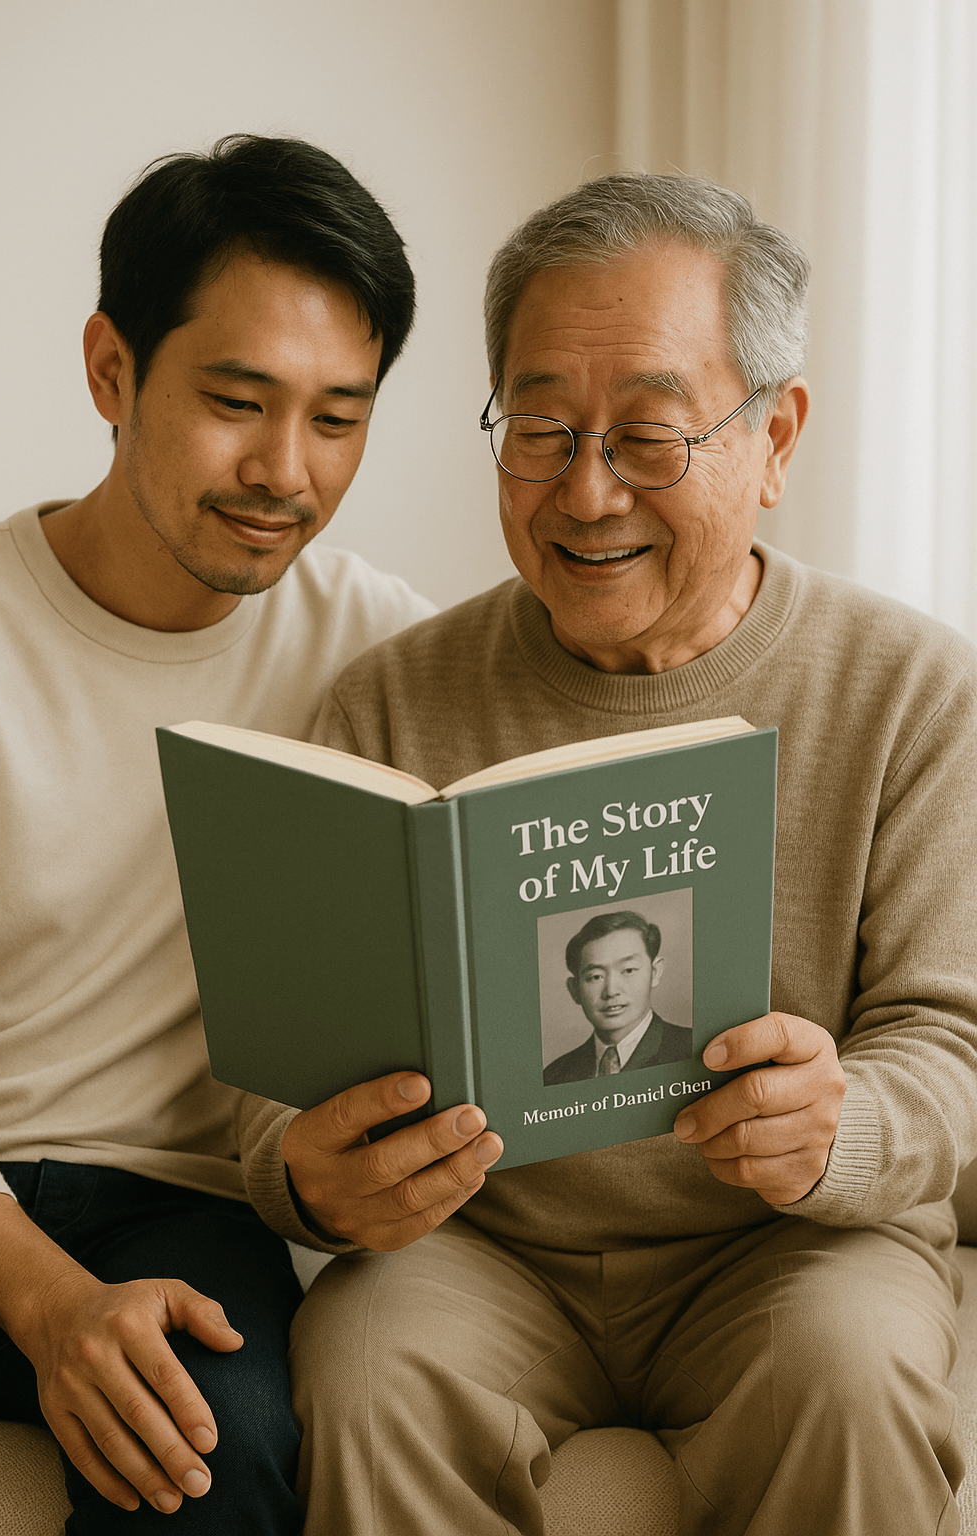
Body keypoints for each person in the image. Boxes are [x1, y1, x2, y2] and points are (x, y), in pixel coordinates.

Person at [239, 173, 977, 1536]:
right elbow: (283, 1074)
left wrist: (843, 1126)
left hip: (788, 1251)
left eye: (647, 436)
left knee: (852, 1367)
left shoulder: (914, 691)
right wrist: (310, 1178)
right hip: (484, 1254)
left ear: (775, 437)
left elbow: (951, 1038)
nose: (585, 494)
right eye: (538, 430)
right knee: (364, 1364)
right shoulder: (387, 701)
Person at [0, 134, 434, 1532]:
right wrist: (52, 1306)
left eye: (338, 419)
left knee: (212, 1446)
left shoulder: (381, 652)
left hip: (182, 1205)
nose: (284, 471)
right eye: (237, 402)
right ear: (111, 370)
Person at [543, 909, 690, 1085]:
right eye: (596, 977)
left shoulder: (690, 1049)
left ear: (655, 972)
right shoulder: (555, 1075)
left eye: (628, 970)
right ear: (574, 990)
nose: (611, 991)